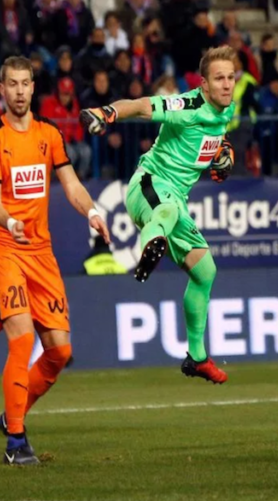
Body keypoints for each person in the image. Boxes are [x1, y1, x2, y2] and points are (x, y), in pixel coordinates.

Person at [0, 56, 110, 465]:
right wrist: (11, 221)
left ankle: (11, 415)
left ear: (34, 88)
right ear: (1, 88)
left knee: (58, 352)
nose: (18, 91)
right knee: (21, 341)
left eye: (24, 84)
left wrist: (92, 212)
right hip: (3, 247)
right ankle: (16, 442)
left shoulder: (49, 133)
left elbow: (70, 184)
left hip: (40, 252)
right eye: (11, 84)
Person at [80, 45, 237, 385]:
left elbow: (216, 138)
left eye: (231, 78)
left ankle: (197, 357)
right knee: (165, 210)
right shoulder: (188, 106)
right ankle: (151, 243)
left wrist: (223, 153)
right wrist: (106, 112)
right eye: (219, 79)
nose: (226, 85)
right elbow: (140, 105)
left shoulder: (226, 110)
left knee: (205, 271)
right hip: (148, 186)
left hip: (175, 201)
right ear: (204, 85)